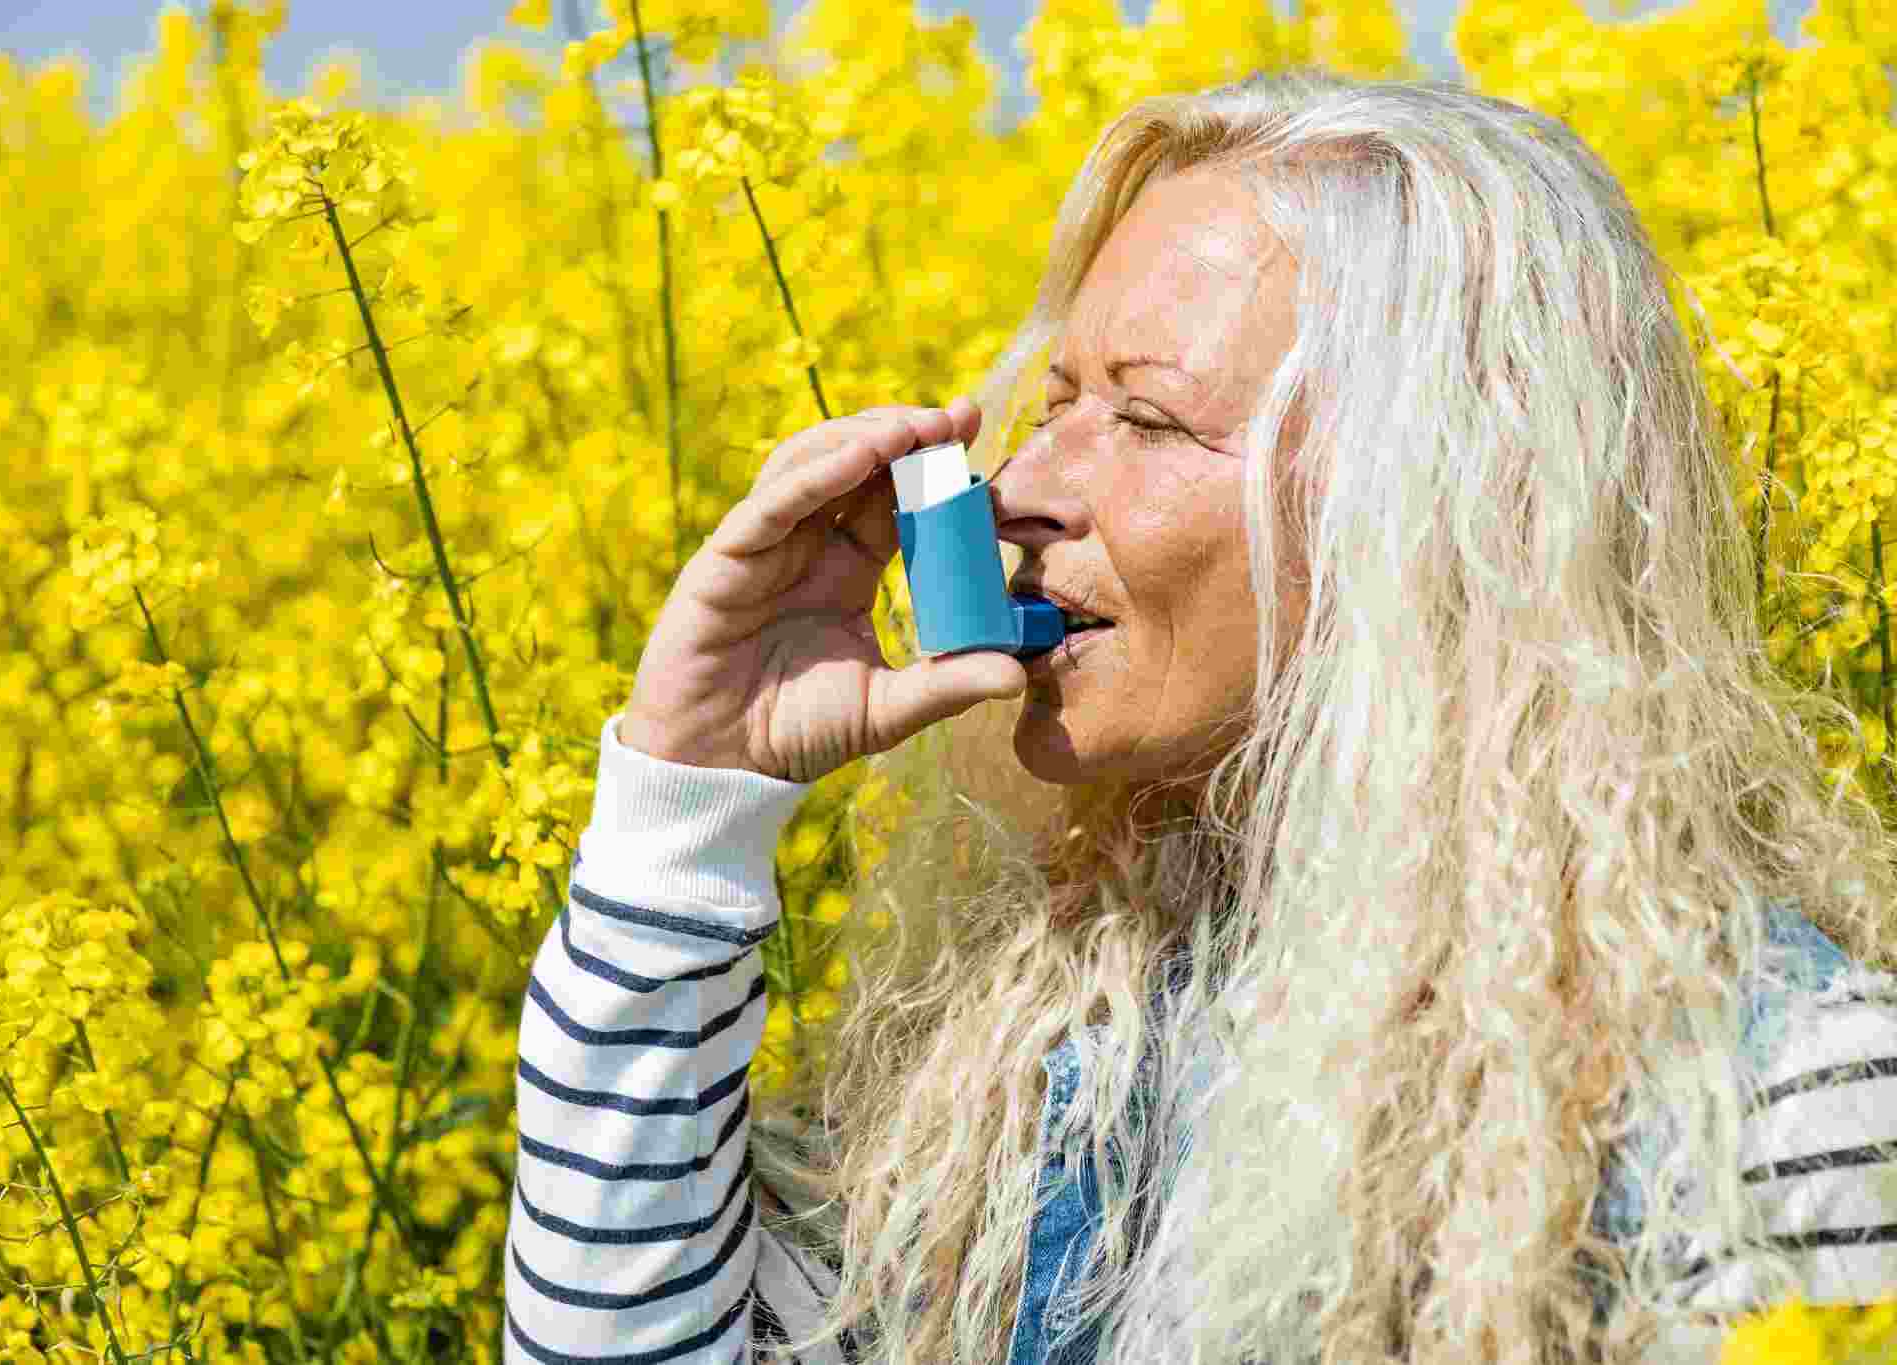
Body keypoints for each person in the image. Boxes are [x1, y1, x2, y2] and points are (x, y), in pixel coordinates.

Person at [504, 68, 1897, 1365]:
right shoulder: (1054, 1063)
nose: (1022, 484)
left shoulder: (1781, 1107)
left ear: (1433, 515)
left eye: (1151, 423)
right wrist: (682, 818)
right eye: (1050, 403)